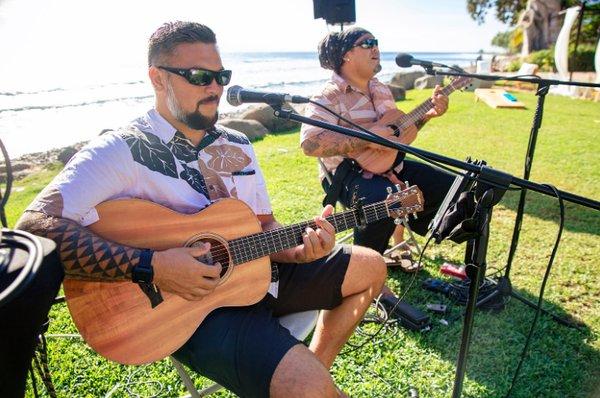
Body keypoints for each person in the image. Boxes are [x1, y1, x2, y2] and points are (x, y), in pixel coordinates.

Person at [15, 21, 387, 398]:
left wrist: (298, 248)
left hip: (260, 277)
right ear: (157, 78)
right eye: (199, 76)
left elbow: (262, 225)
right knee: (313, 391)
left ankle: (308, 370)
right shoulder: (121, 149)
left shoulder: (238, 143)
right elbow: (33, 226)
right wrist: (152, 265)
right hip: (191, 312)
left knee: (372, 266)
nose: (215, 88)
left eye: (221, 76)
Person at [300, 27, 454, 311]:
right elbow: (310, 144)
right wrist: (367, 137)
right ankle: (368, 275)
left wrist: (429, 115)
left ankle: (452, 250)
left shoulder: (380, 88)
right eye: (367, 43)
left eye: (376, 42)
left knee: (453, 185)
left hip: (392, 166)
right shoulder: (328, 96)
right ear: (346, 55)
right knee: (383, 200)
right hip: (347, 177)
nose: (376, 48)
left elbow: (397, 133)